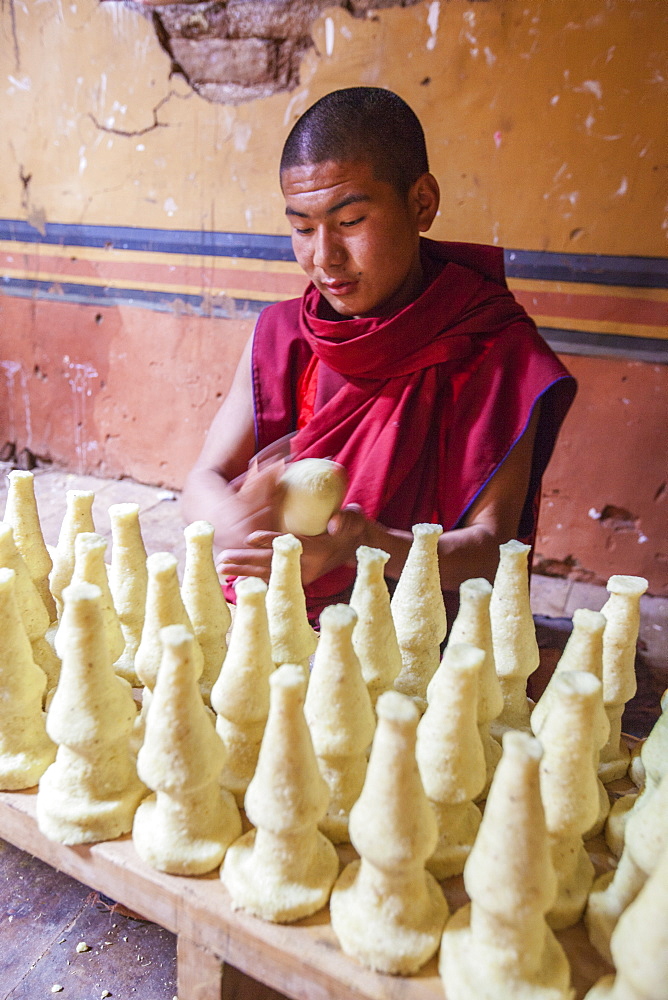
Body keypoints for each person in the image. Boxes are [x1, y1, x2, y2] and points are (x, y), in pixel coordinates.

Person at [182, 87, 576, 622]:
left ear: (422, 204)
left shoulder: (492, 345)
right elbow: (202, 479)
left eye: (349, 222)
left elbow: (492, 551)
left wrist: (364, 546)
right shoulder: (282, 335)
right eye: (301, 228)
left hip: (421, 633)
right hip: (280, 611)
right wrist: (232, 520)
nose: (324, 257)